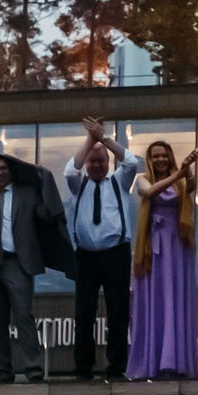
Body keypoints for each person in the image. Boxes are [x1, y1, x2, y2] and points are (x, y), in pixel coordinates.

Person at [64, 119, 144, 381]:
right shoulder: (79, 184)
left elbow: (132, 162)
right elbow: (69, 171)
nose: (97, 165)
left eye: (102, 161)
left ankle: (117, 367)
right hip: (85, 256)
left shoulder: (120, 181)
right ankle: (83, 369)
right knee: (83, 314)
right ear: (87, 162)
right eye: (93, 162)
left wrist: (105, 139)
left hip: (116, 253)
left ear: (109, 162)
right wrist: (90, 140)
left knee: (118, 312)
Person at [0, 155, 70, 384]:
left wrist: (46, 180)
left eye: (3, 168)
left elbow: (48, 214)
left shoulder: (27, 193)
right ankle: (4, 371)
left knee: (24, 317)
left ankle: (33, 369)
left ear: (10, 171)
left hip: (17, 263)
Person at [128, 140, 198, 380]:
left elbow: (191, 185)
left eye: (164, 156)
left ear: (170, 157)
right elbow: (149, 192)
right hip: (153, 248)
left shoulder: (180, 178)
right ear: (150, 160)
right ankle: (153, 362)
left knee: (175, 299)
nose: (160, 160)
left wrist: (187, 167)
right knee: (157, 299)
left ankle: (176, 362)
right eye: (155, 156)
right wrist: (177, 174)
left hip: (178, 244)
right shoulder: (142, 179)